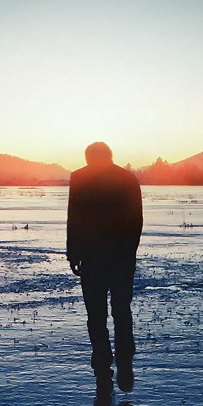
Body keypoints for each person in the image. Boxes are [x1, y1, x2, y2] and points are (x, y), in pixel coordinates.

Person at [66, 141, 143, 393]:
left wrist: (73, 253)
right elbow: (136, 221)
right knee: (121, 310)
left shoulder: (80, 177)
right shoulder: (127, 178)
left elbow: (74, 219)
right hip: (117, 257)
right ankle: (123, 359)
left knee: (96, 314)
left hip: (93, 257)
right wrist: (128, 254)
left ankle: (103, 364)